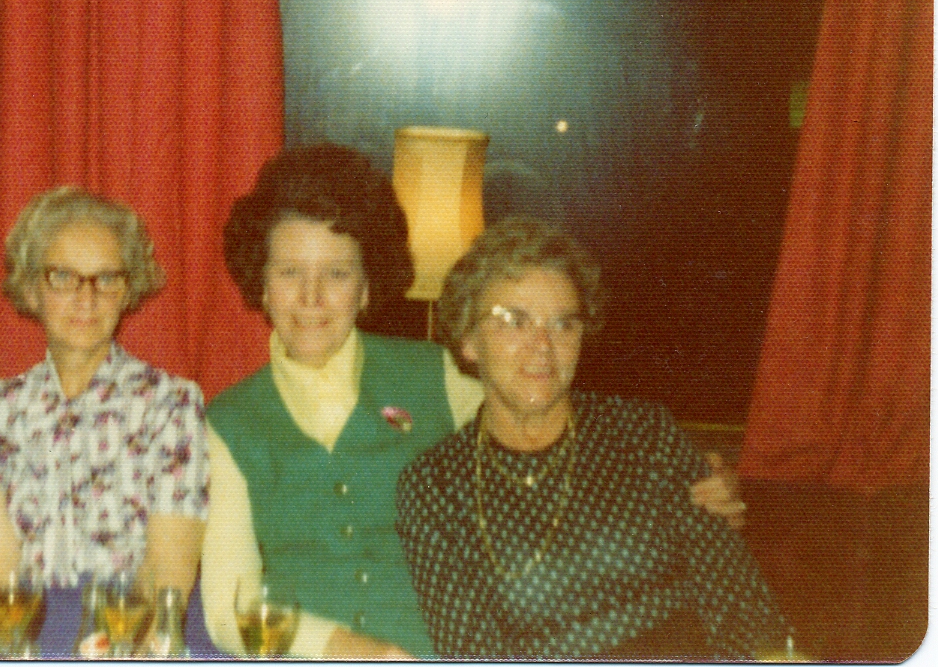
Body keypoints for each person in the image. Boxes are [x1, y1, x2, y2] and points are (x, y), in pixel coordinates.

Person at [202, 144, 748, 659]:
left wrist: (696, 477)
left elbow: (549, 418)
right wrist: (357, 651)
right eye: (290, 273)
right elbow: (231, 610)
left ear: (366, 288)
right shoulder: (228, 421)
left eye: (337, 274)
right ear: (262, 285)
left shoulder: (434, 373)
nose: (311, 297)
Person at [396, 216, 788, 658]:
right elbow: (472, 652)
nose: (543, 345)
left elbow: (740, 600)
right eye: (515, 321)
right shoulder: (436, 486)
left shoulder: (644, 434)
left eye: (563, 324)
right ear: (468, 338)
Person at [0, 186, 209, 601]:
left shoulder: (170, 404)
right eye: (63, 277)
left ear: (127, 290)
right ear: (32, 288)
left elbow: (168, 570)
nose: (86, 298)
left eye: (106, 279)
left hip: (130, 619)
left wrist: (122, 637)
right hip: (26, 620)